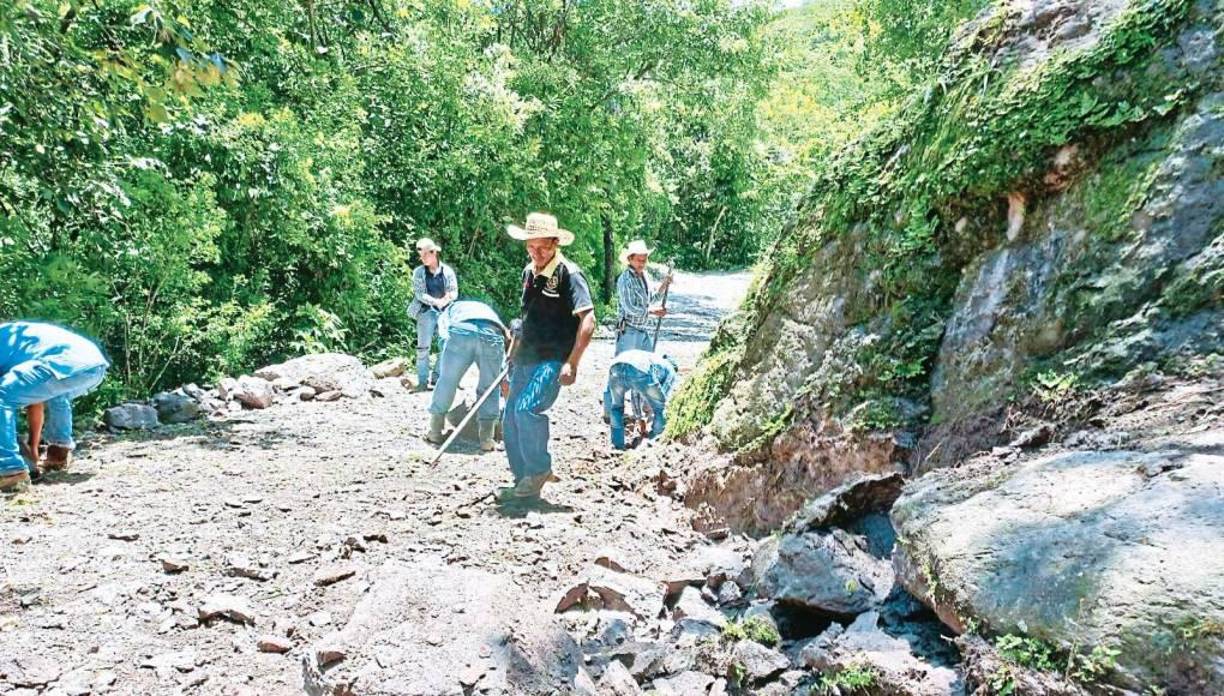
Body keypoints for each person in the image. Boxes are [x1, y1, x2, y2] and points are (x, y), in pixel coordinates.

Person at [500, 212, 595, 503]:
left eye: (542, 247)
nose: (536, 253)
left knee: (527, 409)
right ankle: (523, 480)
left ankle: (539, 469)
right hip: (525, 357)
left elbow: (588, 320)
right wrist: (509, 365)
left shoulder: (569, 274)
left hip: (553, 357)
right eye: (531, 247)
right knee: (509, 418)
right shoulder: (528, 272)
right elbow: (526, 320)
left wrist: (572, 362)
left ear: (555, 243)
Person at [0, 321, 110, 492]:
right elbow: (36, 400)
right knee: (56, 395)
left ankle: (9, 471)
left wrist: (32, 450)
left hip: (65, 363)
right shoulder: (14, 337)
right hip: (93, 366)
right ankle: (59, 451)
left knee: (1, 395)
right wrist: (34, 449)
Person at [424, 300, 508, 452]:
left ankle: (435, 432)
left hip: (461, 331)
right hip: (492, 333)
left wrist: (442, 369)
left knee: (447, 382)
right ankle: (486, 440)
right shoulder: (487, 310)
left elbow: (444, 337)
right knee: (489, 388)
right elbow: (504, 340)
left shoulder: (448, 311)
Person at [408, 237, 458, 391]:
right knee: (423, 348)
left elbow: (454, 291)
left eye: (425, 255)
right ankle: (422, 382)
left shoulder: (447, 271)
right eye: (421, 255)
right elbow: (420, 294)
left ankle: (437, 378)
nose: (422, 258)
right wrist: (436, 301)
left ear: (434, 253)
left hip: (444, 313)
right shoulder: (418, 272)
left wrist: (446, 299)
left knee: (445, 345)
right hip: (425, 312)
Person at [603, 350, 678, 450]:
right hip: (639, 369)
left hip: (616, 367)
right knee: (660, 408)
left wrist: (640, 418)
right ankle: (655, 438)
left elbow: (636, 392)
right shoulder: (670, 370)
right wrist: (650, 416)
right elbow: (662, 400)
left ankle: (617, 445)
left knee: (617, 407)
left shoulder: (654, 360)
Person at [615, 239, 672, 355]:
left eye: (644, 260)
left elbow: (650, 299)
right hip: (629, 331)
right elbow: (629, 307)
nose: (642, 263)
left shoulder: (644, 276)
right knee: (626, 368)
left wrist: (664, 285)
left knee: (647, 366)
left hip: (642, 330)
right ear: (630, 259)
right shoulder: (625, 279)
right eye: (639, 260)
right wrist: (651, 311)